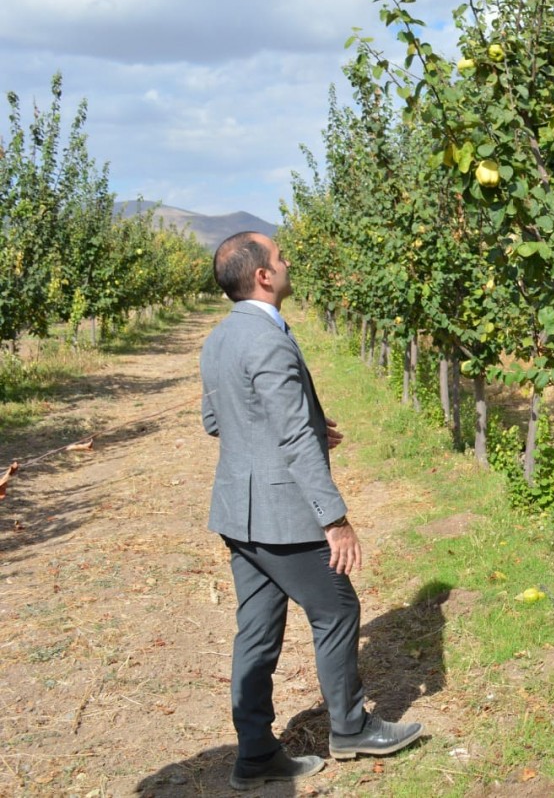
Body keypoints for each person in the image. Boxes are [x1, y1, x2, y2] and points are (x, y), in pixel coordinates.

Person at [200, 232, 423, 790]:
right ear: (263, 277)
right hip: (280, 513)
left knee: (255, 632)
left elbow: (217, 419)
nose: (288, 260)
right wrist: (335, 518)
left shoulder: (221, 339)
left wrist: (297, 426)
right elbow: (293, 441)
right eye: (279, 256)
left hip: (238, 512)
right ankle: (350, 727)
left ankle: (254, 754)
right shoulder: (269, 342)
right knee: (337, 609)